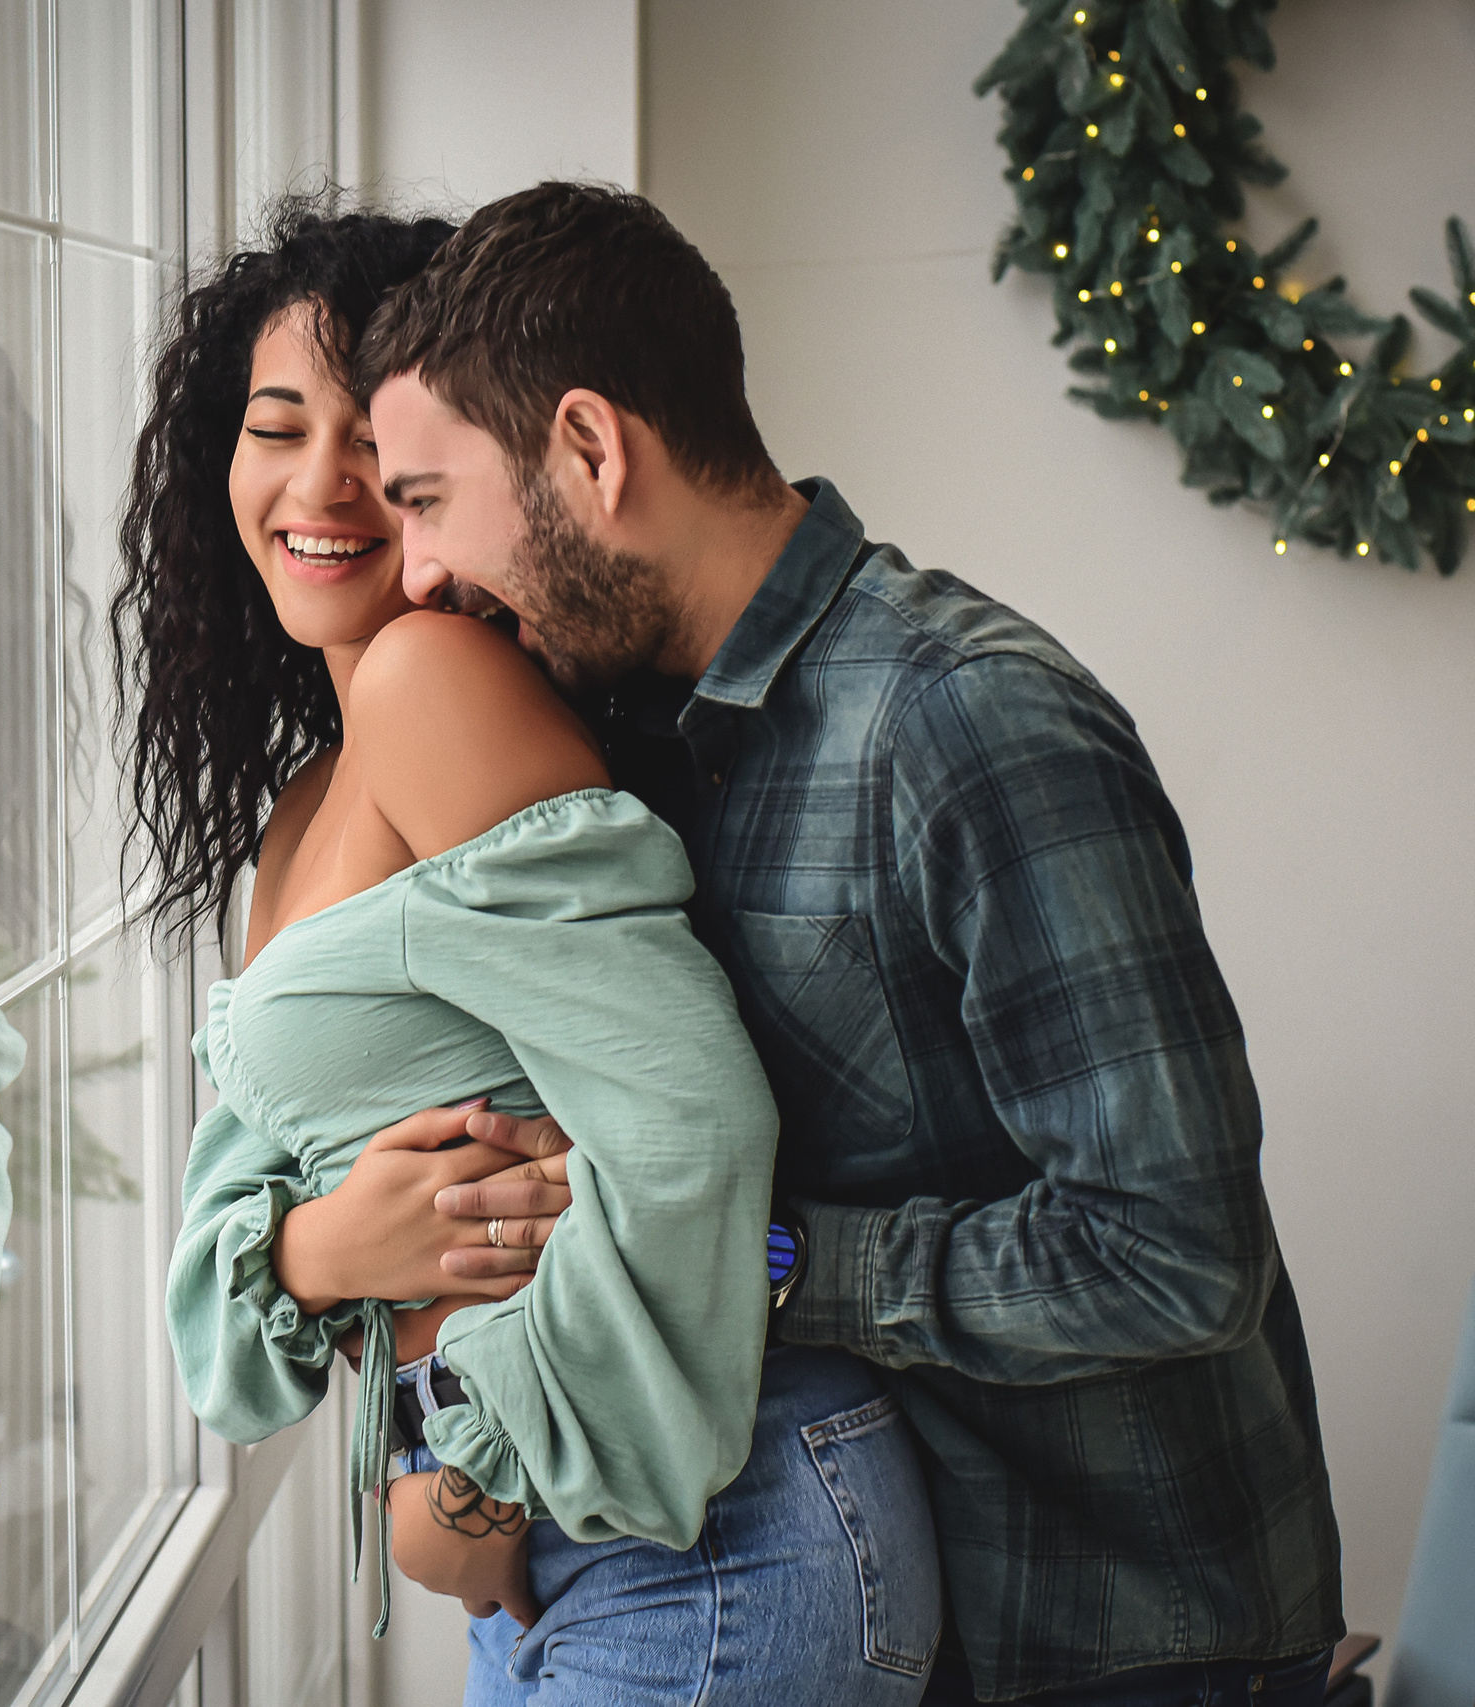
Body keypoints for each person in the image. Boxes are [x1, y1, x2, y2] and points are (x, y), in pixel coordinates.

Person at [349, 183, 1346, 1707]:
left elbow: (1177, 1257)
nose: (415, 570)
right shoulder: (627, 736)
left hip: (1122, 1648)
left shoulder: (968, 721)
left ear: (592, 451)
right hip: (881, 1606)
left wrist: (755, 1267)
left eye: (426, 498)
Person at [122, 201, 938, 1703]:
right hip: (577, 1534)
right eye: (273, 427)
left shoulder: (438, 685)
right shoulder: (309, 795)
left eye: (372, 440)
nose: (320, 484)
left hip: (698, 1531)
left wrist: (470, 1491)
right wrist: (317, 1250)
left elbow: (691, 1124)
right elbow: (234, 1283)